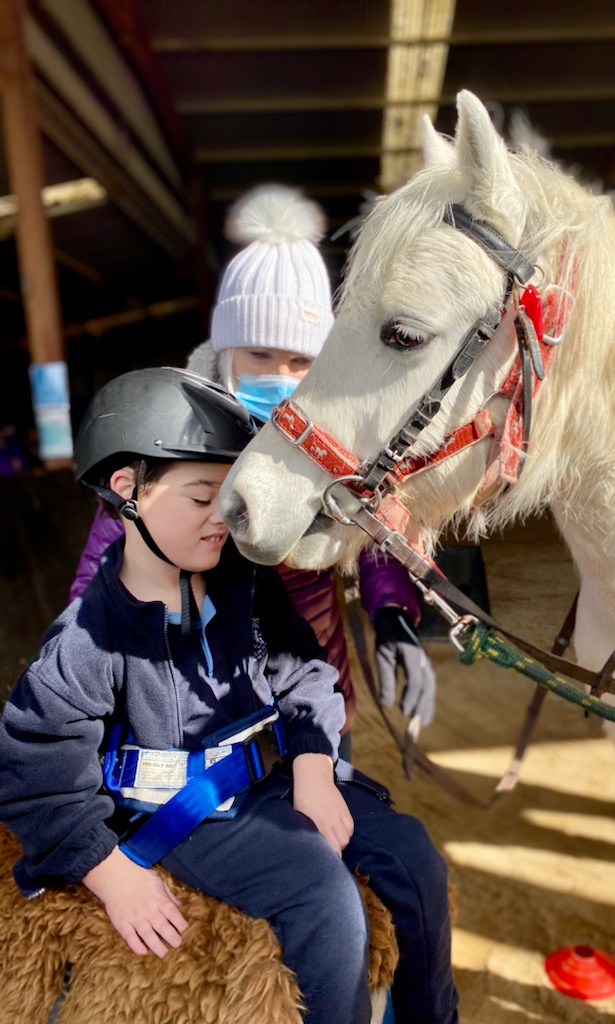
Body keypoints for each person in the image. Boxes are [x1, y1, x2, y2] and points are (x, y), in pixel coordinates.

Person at [0, 367, 459, 1024]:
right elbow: (32, 766)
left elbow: (303, 667)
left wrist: (312, 763)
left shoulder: (244, 580)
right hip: (185, 813)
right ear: (128, 492)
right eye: (200, 496)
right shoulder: (86, 639)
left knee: (416, 859)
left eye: (230, 493)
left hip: (271, 775)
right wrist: (107, 871)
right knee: (324, 896)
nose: (224, 515)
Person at [69, 184, 435, 757]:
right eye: (259, 356)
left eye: (300, 360)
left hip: (316, 682)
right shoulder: (166, 440)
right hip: (200, 705)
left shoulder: (333, 443)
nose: (280, 376)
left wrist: (391, 609)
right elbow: (102, 565)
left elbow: (371, 529)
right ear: (225, 352)